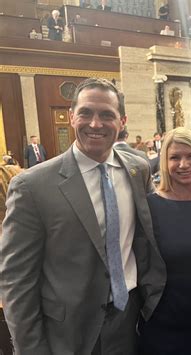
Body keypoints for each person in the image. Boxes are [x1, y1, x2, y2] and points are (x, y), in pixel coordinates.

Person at [0, 78, 166, 354]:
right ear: (72, 116)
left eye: (106, 115)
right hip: (66, 333)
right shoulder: (33, 186)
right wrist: (30, 348)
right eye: (86, 113)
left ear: (122, 121)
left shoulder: (138, 170)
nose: (95, 124)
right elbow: (17, 279)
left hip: (128, 321)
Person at [138, 128, 191, 354]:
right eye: (175, 157)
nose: (183, 164)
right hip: (162, 318)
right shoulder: (150, 207)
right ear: (165, 161)